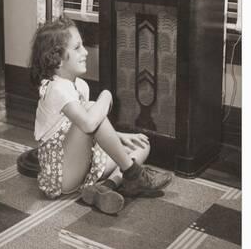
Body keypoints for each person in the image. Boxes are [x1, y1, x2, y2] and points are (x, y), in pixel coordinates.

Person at [30, 16, 172, 215]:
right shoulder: (55, 89)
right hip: (62, 174)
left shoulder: (80, 85)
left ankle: (105, 188)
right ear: (57, 58)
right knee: (91, 109)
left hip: (84, 165)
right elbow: (88, 125)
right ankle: (132, 175)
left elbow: (92, 128)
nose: (85, 52)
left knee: (142, 145)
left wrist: (120, 136)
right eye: (77, 47)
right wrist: (105, 96)